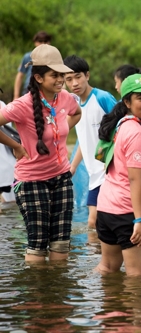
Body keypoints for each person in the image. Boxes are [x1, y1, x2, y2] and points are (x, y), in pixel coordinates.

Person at [0, 44, 82, 261]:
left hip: (62, 177)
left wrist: (60, 131)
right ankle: (38, 292)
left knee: (61, 244)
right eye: (54, 75)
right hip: (31, 181)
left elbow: (77, 113)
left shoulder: (65, 98)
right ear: (38, 78)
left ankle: (55, 291)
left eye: (61, 75)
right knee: (38, 244)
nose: (60, 80)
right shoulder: (21, 105)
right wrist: (16, 146)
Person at [94, 74, 141, 277]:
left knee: (107, 269)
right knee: (137, 277)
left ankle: (102, 306)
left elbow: (122, 172)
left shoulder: (122, 125)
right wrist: (140, 220)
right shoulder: (136, 133)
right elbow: (135, 179)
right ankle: (134, 309)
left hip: (107, 209)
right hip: (127, 214)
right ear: (127, 102)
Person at [63, 55, 117, 229]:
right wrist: (72, 167)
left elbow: (124, 128)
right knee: (94, 224)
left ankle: (100, 256)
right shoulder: (74, 104)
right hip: (94, 175)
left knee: (94, 222)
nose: (74, 84)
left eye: (78, 77)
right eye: (69, 80)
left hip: (109, 172)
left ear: (87, 75)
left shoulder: (102, 98)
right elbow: (84, 140)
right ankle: (98, 257)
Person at [13, 31, 52, 100]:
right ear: (35, 42)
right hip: (29, 90)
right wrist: (16, 96)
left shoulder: (53, 57)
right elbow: (20, 76)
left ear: (49, 43)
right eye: (40, 41)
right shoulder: (28, 57)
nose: (43, 44)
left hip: (47, 91)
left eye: (45, 41)